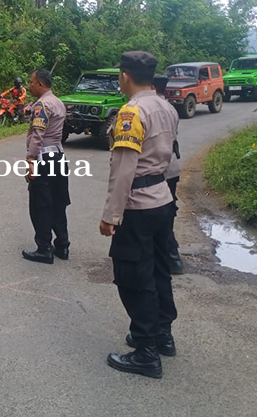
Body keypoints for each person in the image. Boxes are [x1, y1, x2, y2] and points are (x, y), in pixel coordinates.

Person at [99, 52, 178, 379]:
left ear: (125, 76)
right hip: (162, 200)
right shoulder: (166, 107)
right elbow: (172, 161)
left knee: (134, 277)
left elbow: (124, 169)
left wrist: (111, 215)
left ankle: (145, 351)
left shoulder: (131, 113)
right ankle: (162, 334)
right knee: (159, 269)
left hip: (138, 206)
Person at [21, 69, 71, 264]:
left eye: (31, 82)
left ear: (40, 84)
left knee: (41, 204)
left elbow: (38, 134)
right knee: (58, 202)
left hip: (44, 159)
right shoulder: (58, 102)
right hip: (59, 157)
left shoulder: (42, 105)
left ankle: (43, 249)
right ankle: (62, 245)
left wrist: (30, 160)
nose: (29, 85)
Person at [153, 74, 185, 275]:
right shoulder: (170, 108)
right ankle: (169, 256)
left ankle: (172, 258)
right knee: (167, 211)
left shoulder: (153, 109)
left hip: (159, 170)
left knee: (160, 214)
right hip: (171, 167)